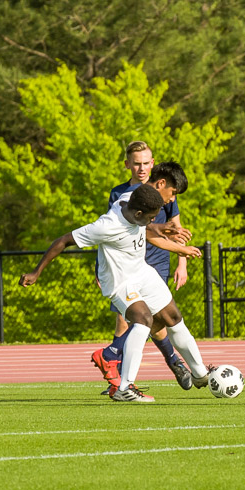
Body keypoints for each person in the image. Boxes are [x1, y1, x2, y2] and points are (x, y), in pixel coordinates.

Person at [20, 183, 211, 403]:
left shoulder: (133, 197)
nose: (151, 222)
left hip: (142, 271)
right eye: (150, 218)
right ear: (138, 213)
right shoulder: (106, 226)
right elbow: (63, 241)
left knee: (173, 317)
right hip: (120, 282)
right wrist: (36, 272)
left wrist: (157, 228)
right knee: (144, 320)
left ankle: (200, 374)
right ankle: (125, 388)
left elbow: (143, 223)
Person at [91, 148, 194, 392]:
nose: (142, 168)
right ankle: (125, 378)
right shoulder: (119, 194)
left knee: (153, 319)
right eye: (137, 163)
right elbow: (107, 230)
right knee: (126, 321)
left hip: (155, 262)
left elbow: (176, 228)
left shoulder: (165, 188)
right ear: (127, 164)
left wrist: (182, 260)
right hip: (125, 265)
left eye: (146, 163)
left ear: (153, 164)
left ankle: (121, 367)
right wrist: (100, 268)